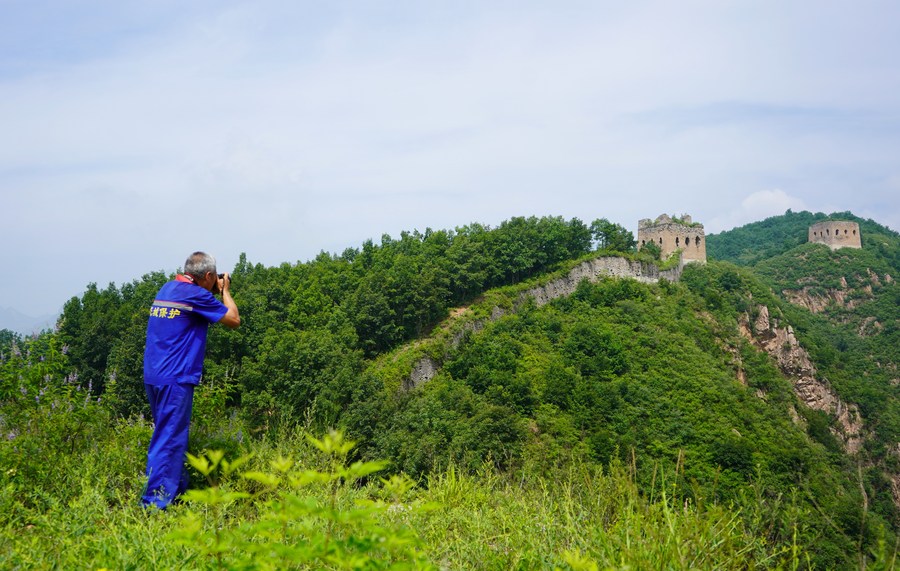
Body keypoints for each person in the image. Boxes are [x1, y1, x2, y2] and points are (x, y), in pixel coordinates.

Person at [141, 251, 240, 509]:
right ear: (208, 276)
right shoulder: (196, 295)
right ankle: (154, 506)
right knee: (169, 440)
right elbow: (233, 319)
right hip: (176, 378)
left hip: (154, 375)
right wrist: (224, 291)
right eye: (213, 278)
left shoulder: (168, 288)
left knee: (170, 437)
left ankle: (178, 494)